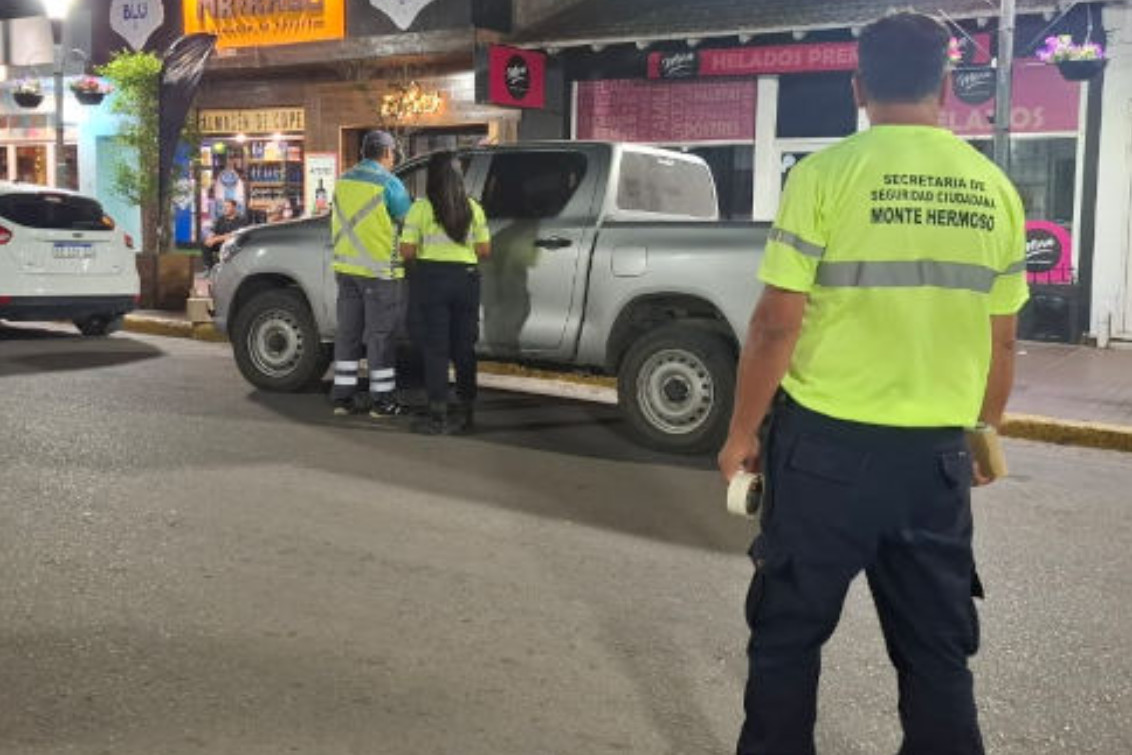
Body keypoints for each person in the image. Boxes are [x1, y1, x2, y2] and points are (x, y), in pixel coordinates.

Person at [718, 13, 1028, 755]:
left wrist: (740, 432)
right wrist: (982, 437)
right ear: (947, 87)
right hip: (936, 463)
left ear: (858, 86)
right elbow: (1003, 339)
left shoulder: (825, 176)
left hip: (826, 453)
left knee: (789, 640)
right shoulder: (995, 189)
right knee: (937, 653)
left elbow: (774, 327)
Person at [399, 152, 491, 435]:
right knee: (464, 348)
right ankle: (467, 413)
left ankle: (437, 414)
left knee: (436, 348)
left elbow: (407, 251)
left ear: (433, 177)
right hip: (466, 281)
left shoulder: (421, 209)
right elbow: (484, 251)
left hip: (432, 280)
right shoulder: (473, 208)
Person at [329, 130, 412, 418]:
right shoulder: (390, 184)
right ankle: (382, 401)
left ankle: (342, 398)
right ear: (388, 153)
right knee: (380, 337)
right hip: (378, 273)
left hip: (345, 269)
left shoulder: (342, 181)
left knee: (348, 334)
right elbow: (408, 220)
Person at [202, 199, 247, 270]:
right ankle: (209, 268)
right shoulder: (221, 219)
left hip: (233, 244)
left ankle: (227, 270)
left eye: (227, 206)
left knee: (228, 243)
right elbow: (214, 231)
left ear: (234, 208)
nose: (225, 209)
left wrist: (216, 239)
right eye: (224, 207)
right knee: (206, 244)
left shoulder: (241, 220)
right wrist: (210, 236)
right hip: (220, 243)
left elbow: (233, 234)